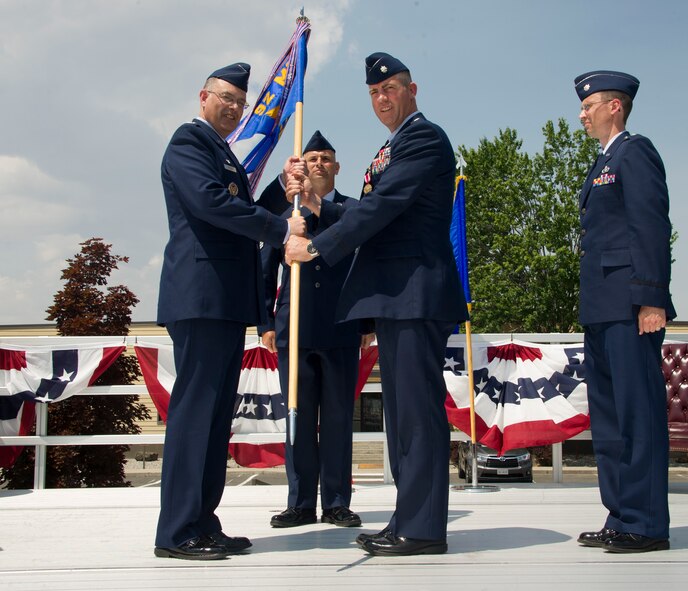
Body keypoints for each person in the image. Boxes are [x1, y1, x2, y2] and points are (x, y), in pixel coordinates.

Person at [285, 52, 467, 556]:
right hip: (394, 295)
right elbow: (368, 208)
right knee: (402, 416)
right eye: (373, 93)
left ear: (413, 89)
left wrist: (318, 244)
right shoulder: (392, 146)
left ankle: (424, 528)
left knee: (417, 415)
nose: (381, 98)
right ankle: (408, 517)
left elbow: (385, 207)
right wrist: (312, 202)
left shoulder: (424, 138)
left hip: (414, 290)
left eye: (390, 88)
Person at [154, 63, 306, 560]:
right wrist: (282, 231)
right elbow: (212, 204)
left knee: (216, 419)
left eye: (241, 102)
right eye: (226, 98)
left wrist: (282, 191)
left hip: (220, 301)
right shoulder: (188, 144)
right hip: (199, 297)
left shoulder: (221, 153)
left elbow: (238, 205)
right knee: (195, 416)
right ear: (203, 97)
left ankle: (202, 521)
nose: (235, 108)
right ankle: (176, 532)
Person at [573, 70, 675, 553]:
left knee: (638, 415)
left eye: (589, 104)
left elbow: (650, 223)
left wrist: (652, 296)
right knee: (609, 420)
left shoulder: (636, 151)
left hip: (631, 306)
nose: (582, 113)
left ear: (615, 106)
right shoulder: (601, 163)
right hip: (599, 307)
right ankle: (621, 514)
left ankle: (647, 522)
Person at [257, 131, 370, 529]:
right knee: (298, 417)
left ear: (337, 167)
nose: (318, 164)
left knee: (339, 419)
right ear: (300, 167)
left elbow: (364, 264)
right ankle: (301, 502)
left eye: (326, 159)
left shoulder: (353, 209)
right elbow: (266, 267)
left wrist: (367, 322)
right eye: (312, 158)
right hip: (296, 327)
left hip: (341, 325)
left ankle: (337, 501)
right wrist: (265, 322)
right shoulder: (288, 213)